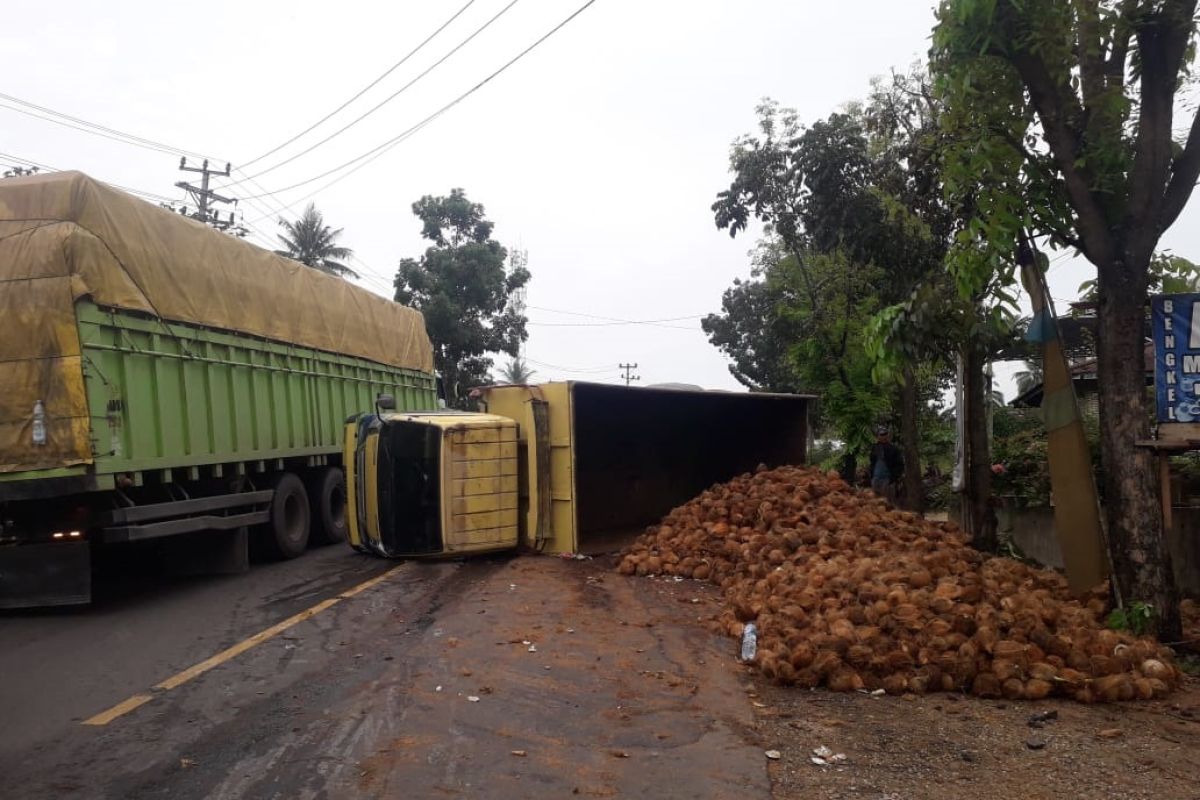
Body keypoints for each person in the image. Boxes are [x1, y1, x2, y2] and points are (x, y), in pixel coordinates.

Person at [868, 425, 904, 503]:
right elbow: (872, 462)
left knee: (886, 502)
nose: (883, 436)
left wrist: (893, 478)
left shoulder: (893, 449)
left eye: (885, 434)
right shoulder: (874, 448)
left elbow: (900, 464)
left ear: (887, 435)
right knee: (875, 501)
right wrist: (871, 475)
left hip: (887, 479)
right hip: (875, 478)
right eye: (881, 435)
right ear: (878, 436)